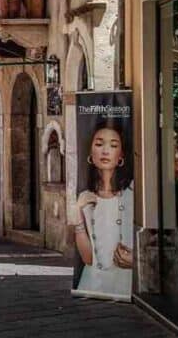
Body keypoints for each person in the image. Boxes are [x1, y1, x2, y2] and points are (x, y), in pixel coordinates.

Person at [73, 120, 134, 298]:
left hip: (126, 283)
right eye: (99, 144)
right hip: (93, 284)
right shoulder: (85, 197)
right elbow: (88, 259)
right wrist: (77, 213)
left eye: (113, 145)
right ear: (91, 151)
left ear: (121, 154)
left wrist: (136, 261)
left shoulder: (133, 193)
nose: (105, 151)